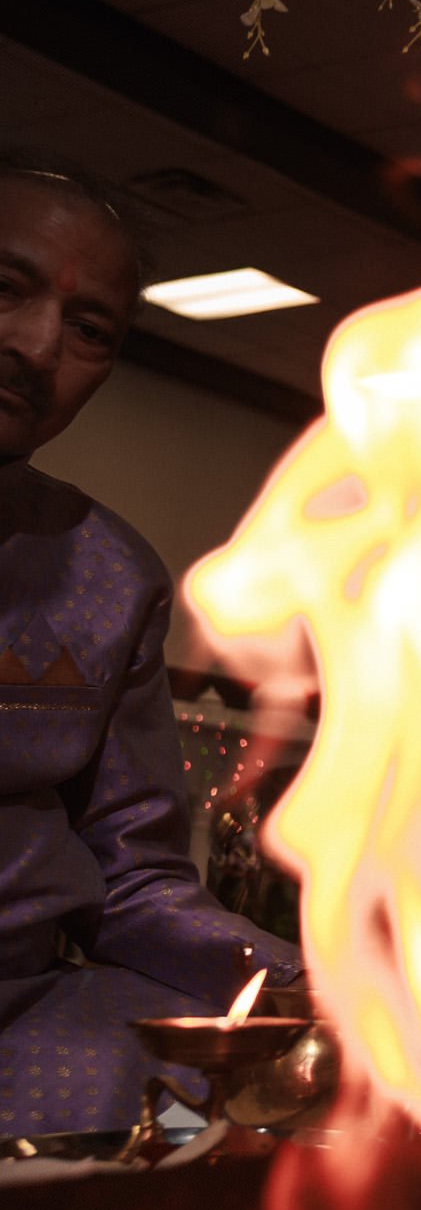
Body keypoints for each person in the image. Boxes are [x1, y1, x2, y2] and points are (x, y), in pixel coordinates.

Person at [0, 150, 303, 1135]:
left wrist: (315, 979)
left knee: (287, 1099)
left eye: (91, 330)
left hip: (29, 1028)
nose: (40, 348)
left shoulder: (104, 572)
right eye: (8, 289)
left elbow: (130, 879)